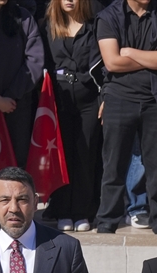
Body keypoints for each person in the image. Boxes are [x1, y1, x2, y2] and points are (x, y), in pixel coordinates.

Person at [93, 0, 157, 234]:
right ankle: (107, 222)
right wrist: (150, 58)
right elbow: (112, 62)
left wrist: (130, 52)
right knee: (113, 166)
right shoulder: (108, 16)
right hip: (119, 98)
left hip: (155, 98)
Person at [42, 0, 103, 232]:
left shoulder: (95, 24)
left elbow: (103, 64)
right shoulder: (48, 25)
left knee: (85, 155)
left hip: (89, 99)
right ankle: (61, 210)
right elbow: (44, 63)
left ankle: (82, 211)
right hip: (58, 100)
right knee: (62, 156)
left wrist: (105, 96)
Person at [0, 0, 43, 168]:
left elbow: (35, 61)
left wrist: (10, 95)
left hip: (17, 104)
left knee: (16, 161)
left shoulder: (23, 16)